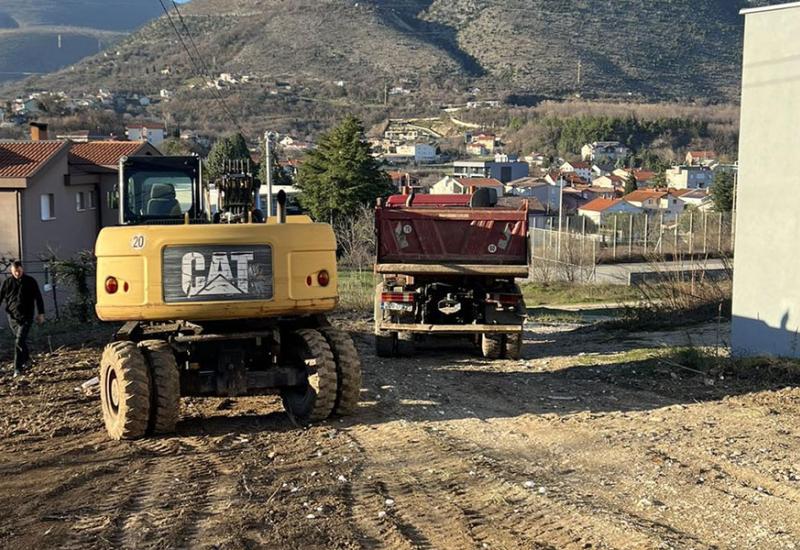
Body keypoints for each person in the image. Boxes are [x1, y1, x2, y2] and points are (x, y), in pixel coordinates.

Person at [0, 261, 45, 377]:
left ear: (22, 269)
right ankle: (27, 360)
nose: (17, 273)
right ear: (11, 271)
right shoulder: (7, 283)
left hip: (27, 316)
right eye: (15, 272)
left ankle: (17, 368)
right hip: (12, 317)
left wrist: (41, 313)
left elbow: (38, 298)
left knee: (19, 341)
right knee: (20, 341)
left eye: (19, 271)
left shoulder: (30, 281)